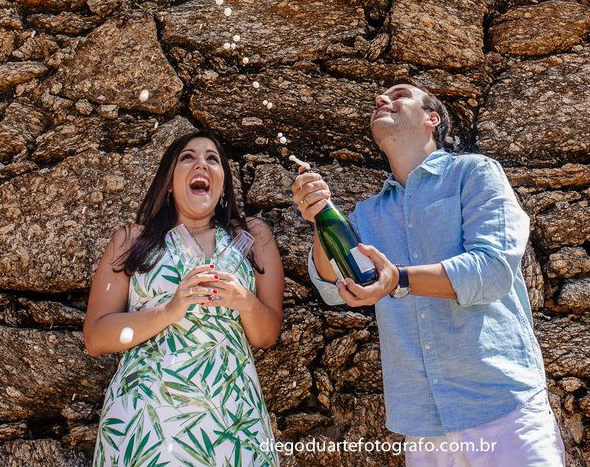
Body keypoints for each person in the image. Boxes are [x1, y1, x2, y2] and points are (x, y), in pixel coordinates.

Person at [290, 81, 565, 467]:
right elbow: (335, 287)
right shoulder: (366, 214)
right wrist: (320, 215)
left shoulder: (474, 173)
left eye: (400, 95)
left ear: (432, 119)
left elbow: (493, 269)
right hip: (422, 425)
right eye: (380, 98)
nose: (382, 99)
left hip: (503, 407)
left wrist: (399, 279)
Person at [85, 129, 283, 467]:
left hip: (231, 417)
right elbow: (95, 338)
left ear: (223, 185)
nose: (201, 164)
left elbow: (266, 336)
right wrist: (169, 310)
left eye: (212, 159)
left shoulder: (252, 235)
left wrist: (245, 302)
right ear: (169, 182)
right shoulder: (132, 240)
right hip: (146, 418)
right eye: (187, 157)